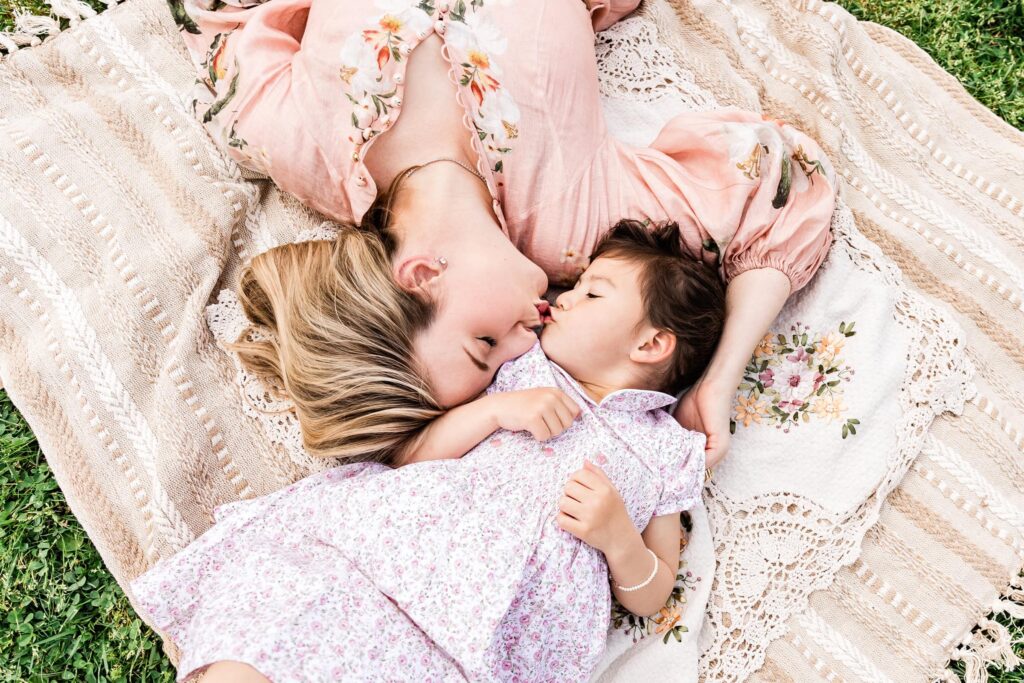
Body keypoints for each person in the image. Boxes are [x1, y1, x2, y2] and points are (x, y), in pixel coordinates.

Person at [170, 0, 838, 471]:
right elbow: (782, 187)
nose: (528, 341)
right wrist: (717, 379)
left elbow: (220, 22)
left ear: (422, 274)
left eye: (483, 343)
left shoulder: (301, 147)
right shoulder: (574, 226)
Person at [129, 219, 725, 682]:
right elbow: (412, 457)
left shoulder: (665, 451)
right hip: (407, 553)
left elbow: (653, 593)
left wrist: (619, 538)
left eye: (593, 293)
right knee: (300, 609)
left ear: (651, 343)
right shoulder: (518, 365)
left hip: (499, 631)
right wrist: (493, 411)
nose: (564, 298)